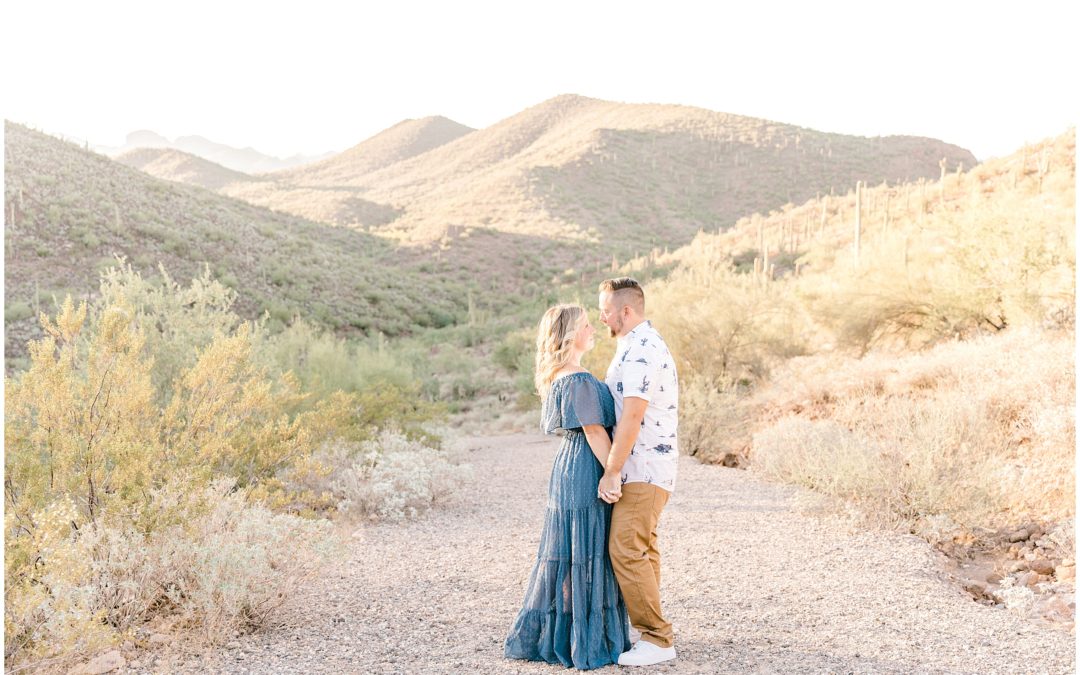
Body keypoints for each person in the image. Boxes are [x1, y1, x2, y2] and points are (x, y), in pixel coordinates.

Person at [504, 304, 631, 670]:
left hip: (568, 464)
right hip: (586, 466)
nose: (593, 329)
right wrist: (614, 472)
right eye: (587, 325)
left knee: (574, 549)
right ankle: (584, 638)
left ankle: (570, 633)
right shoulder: (576, 377)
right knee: (586, 546)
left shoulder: (559, 374)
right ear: (572, 333)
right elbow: (593, 430)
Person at [597, 277, 679, 667]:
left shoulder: (643, 348)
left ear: (626, 311)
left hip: (643, 465)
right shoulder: (634, 345)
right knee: (643, 548)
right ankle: (652, 634)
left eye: (607, 311)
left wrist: (612, 470)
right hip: (647, 465)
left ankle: (658, 639)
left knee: (626, 548)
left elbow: (633, 413)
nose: (602, 318)